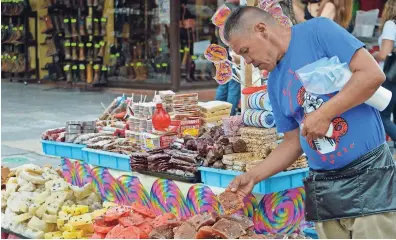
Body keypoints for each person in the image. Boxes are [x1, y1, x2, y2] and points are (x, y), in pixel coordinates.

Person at [223, 6, 396, 239]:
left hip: (369, 180)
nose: (248, 61)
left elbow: (372, 75)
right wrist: (253, 176)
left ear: (261, 30)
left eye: (246, 50)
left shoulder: (317, 31)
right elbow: (292, 143)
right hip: (325, 188)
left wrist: (324, 114)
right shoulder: (274, 81)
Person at [373, 0, 396, 149]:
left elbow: (385, 54)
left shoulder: (390, 25)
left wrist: (373, 54)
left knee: (383, 115)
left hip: (388, 75)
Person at [215, 0, 241, 116]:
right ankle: (228, 116)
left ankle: (217, 113)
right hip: (232, 52)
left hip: (222, 52)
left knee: (224, 83)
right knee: (234, 85)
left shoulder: (221, 10)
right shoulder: (234, 11)